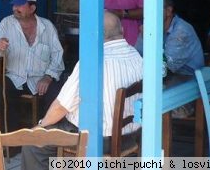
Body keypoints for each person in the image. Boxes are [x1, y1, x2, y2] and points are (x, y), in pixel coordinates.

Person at [21, 11, 143, 170]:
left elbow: (62, 106)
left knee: (32, 143)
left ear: (96, 34)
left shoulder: (93, 62)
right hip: (129, 136)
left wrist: (41, 126)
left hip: (97, 139)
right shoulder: (137, 56)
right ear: (122, 31)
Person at [0, 0, 64, 136]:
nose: (15, 8)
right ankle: (10, 142)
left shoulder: (47, 27)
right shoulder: (6, 23)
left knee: (57, 97)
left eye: (20, 4)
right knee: (0, 96)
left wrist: (48, 77)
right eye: (14, 4)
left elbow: (58, 55)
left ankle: (46, 141)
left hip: (40, 78)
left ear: (32, 8)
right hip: (15, 77)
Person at [136, 0, 204, 76]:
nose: (149, 13)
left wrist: (148, 40)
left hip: (191, 81)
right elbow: (136, 57)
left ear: (168, 11)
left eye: (154, 9)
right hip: (170, 79)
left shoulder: (182, 31)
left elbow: (164, 69)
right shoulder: (150, 27)